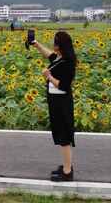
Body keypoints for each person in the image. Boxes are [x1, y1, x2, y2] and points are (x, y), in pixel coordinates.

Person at [30, 32, 77, 182]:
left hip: (62, 103)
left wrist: (48, 76)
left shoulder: (68, 62)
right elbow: (50, 55)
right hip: (56, 102)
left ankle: (68, 172)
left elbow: (64, 86)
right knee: (60, 134)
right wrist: (36, 45)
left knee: (64, 137)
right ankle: (66, 166)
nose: (53, 46)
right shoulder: (61, 58)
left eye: (55, 43)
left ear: (61, 46)